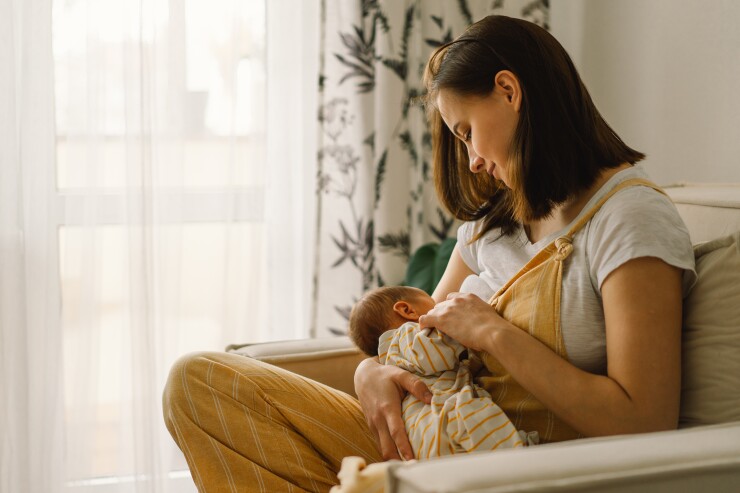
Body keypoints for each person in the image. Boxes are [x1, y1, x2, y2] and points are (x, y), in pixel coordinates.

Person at [162, 15, 696, 492]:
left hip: (512, 463)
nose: (473, 162)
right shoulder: (494, 222)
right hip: (431, 443)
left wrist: (494, 334)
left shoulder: (629, 219)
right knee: (198, 382)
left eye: (467, 133)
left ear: (509, 91)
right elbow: (418, 339)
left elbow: (644, 419)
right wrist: (369, 373)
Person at [348, 285, 535, 459]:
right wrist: (465, 325)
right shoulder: (405, 336)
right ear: (407, 310)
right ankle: (520, 457)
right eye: (435, 303)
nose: (441, 306)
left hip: (426, 432)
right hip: (444, 414)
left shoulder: (394, 355)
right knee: (490, 440)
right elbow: (435, 352)